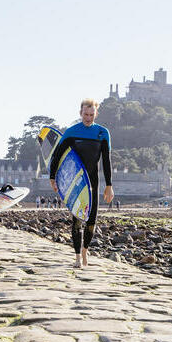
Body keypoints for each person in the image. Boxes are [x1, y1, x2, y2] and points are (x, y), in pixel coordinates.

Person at [50, 98, 113, 268]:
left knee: (92, 219)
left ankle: (85, 252)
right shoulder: (71, 132)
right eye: (86, 114)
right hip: (77, 181)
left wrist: (109, 185)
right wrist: (52, 177)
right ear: (80, 113)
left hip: (93, 180)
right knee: (77, 218)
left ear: (96, 114)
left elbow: (106, 160)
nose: (88, 117)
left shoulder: (102, 132)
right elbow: (57, 156)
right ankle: (77, 256)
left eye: (92, 115)